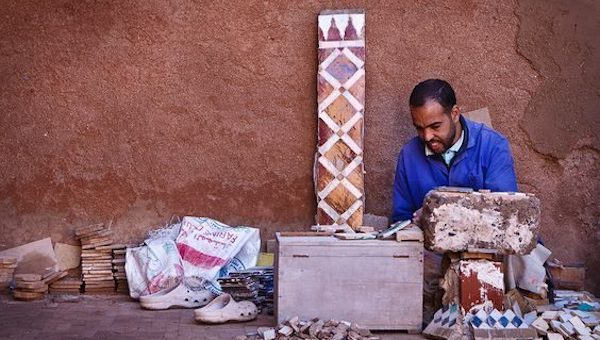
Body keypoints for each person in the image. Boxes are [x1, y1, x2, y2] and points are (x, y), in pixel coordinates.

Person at [391, 79, 518, 222]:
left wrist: (440, 212)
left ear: (455, 114)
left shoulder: (493, 146)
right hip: (425, 243)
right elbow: (400, 219)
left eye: (435, 126)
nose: (427, 136)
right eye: (419, 128)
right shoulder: (409, 155)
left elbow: (507, 212)